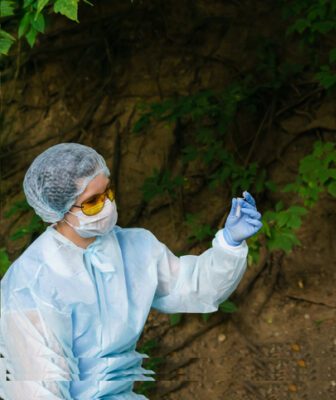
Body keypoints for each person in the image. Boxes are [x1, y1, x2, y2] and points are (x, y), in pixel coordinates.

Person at [0, 143, 262, 399]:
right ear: (58, 211)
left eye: (108, 193)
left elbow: (194, 287)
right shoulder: (32, 281)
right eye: (92, 202)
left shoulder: (135, 247)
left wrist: (230, 243)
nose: (107, 206)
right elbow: (39, 388)